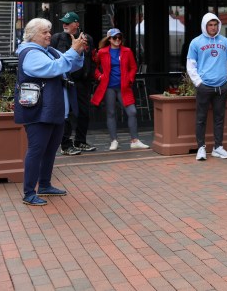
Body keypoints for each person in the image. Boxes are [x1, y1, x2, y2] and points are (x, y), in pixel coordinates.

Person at [14, 18, 88, 206]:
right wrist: (72, 51)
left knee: (50, 150)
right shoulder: (30, 53)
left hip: (53, 109)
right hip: (38, 111)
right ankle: (29, 192)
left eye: (49, 31)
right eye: (45, 32)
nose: (49, 35)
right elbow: (54, 68)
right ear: (32, 35)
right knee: (37, 150)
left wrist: (77, 51)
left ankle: (45, 185)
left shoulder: (48, 51)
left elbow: (72, 65)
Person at [187, 12, 227, 161]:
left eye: (215, 24)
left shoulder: (225, 42)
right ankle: (201, 148)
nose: (213, 27)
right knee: (201, 118)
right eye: (210, 25)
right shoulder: (196, 42)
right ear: (205, 25)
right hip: (204, 87)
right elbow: (190, 65)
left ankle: (217, 147)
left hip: (222, 87)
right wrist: (199, 83)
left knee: (219, 118)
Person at [91, 28, 149, 151]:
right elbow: (93, 67)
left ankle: (135, 140)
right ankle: (113, 140)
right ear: (109, 39)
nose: (117, 39)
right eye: (114, 37)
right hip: (109, 87)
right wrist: (99, 76)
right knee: (111, 113)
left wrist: (129, 79)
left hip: (124, 87)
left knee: (132, 112)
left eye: (119, 37)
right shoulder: (102, 52)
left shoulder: (127, 51)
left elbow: (133, 67)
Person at [50, 11, 96, 155]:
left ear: (76, 24)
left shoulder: (87, 38)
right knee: (67, 113)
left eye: (68, 22)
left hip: (83, 81)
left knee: (84, 112)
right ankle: (66, 145)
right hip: (66, 82)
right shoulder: (57, 38)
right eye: (63, 22)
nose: (64, 25)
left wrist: (91, 75)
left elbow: (92, 58)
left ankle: (80, 141)